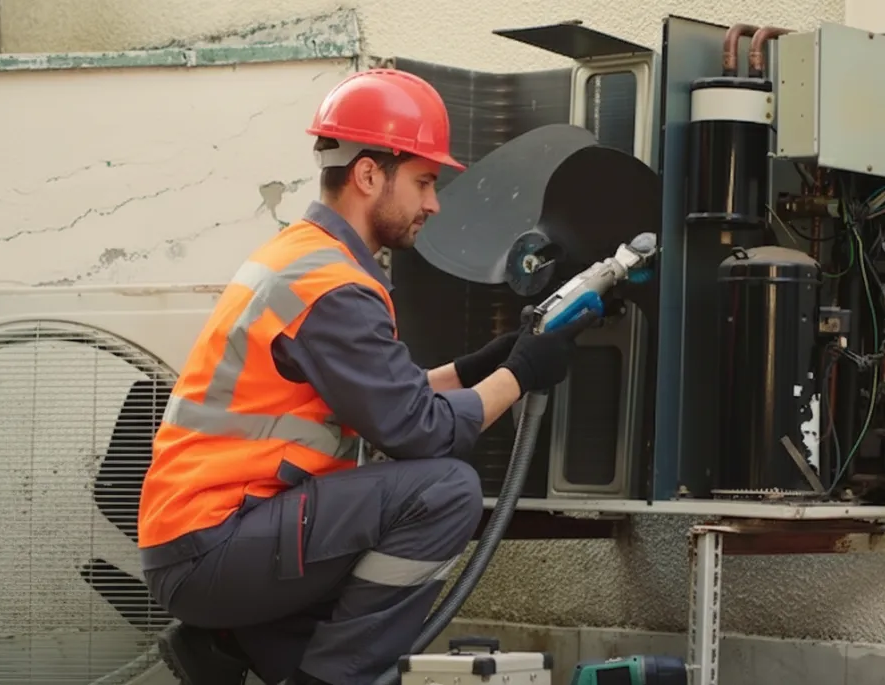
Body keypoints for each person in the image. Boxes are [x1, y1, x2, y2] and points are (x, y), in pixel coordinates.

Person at [136, 68, 596, 685]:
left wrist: (478, 366)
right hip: (215, 547)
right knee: (446, 491)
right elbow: (417, 432)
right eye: (425, 181)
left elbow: (384, 400)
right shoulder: (331, 288)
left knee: (346, 588)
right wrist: (519, 374)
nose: (434, 203)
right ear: (369, 174)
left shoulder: (304, 258)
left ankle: (237, 643)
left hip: (211, 537)